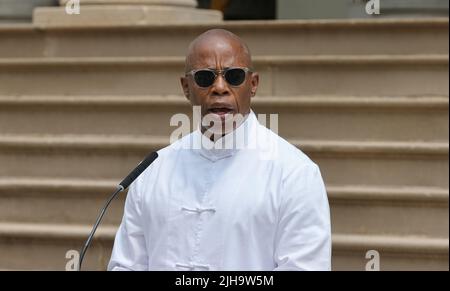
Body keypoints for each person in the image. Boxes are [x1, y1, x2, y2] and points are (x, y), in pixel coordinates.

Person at [108, 29, 331, 271]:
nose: (220, 88)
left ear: (253, 84)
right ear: (186, 87)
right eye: (205, 78)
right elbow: (126, 265)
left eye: (234, 76)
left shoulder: (295, 174)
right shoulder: (152, 171)